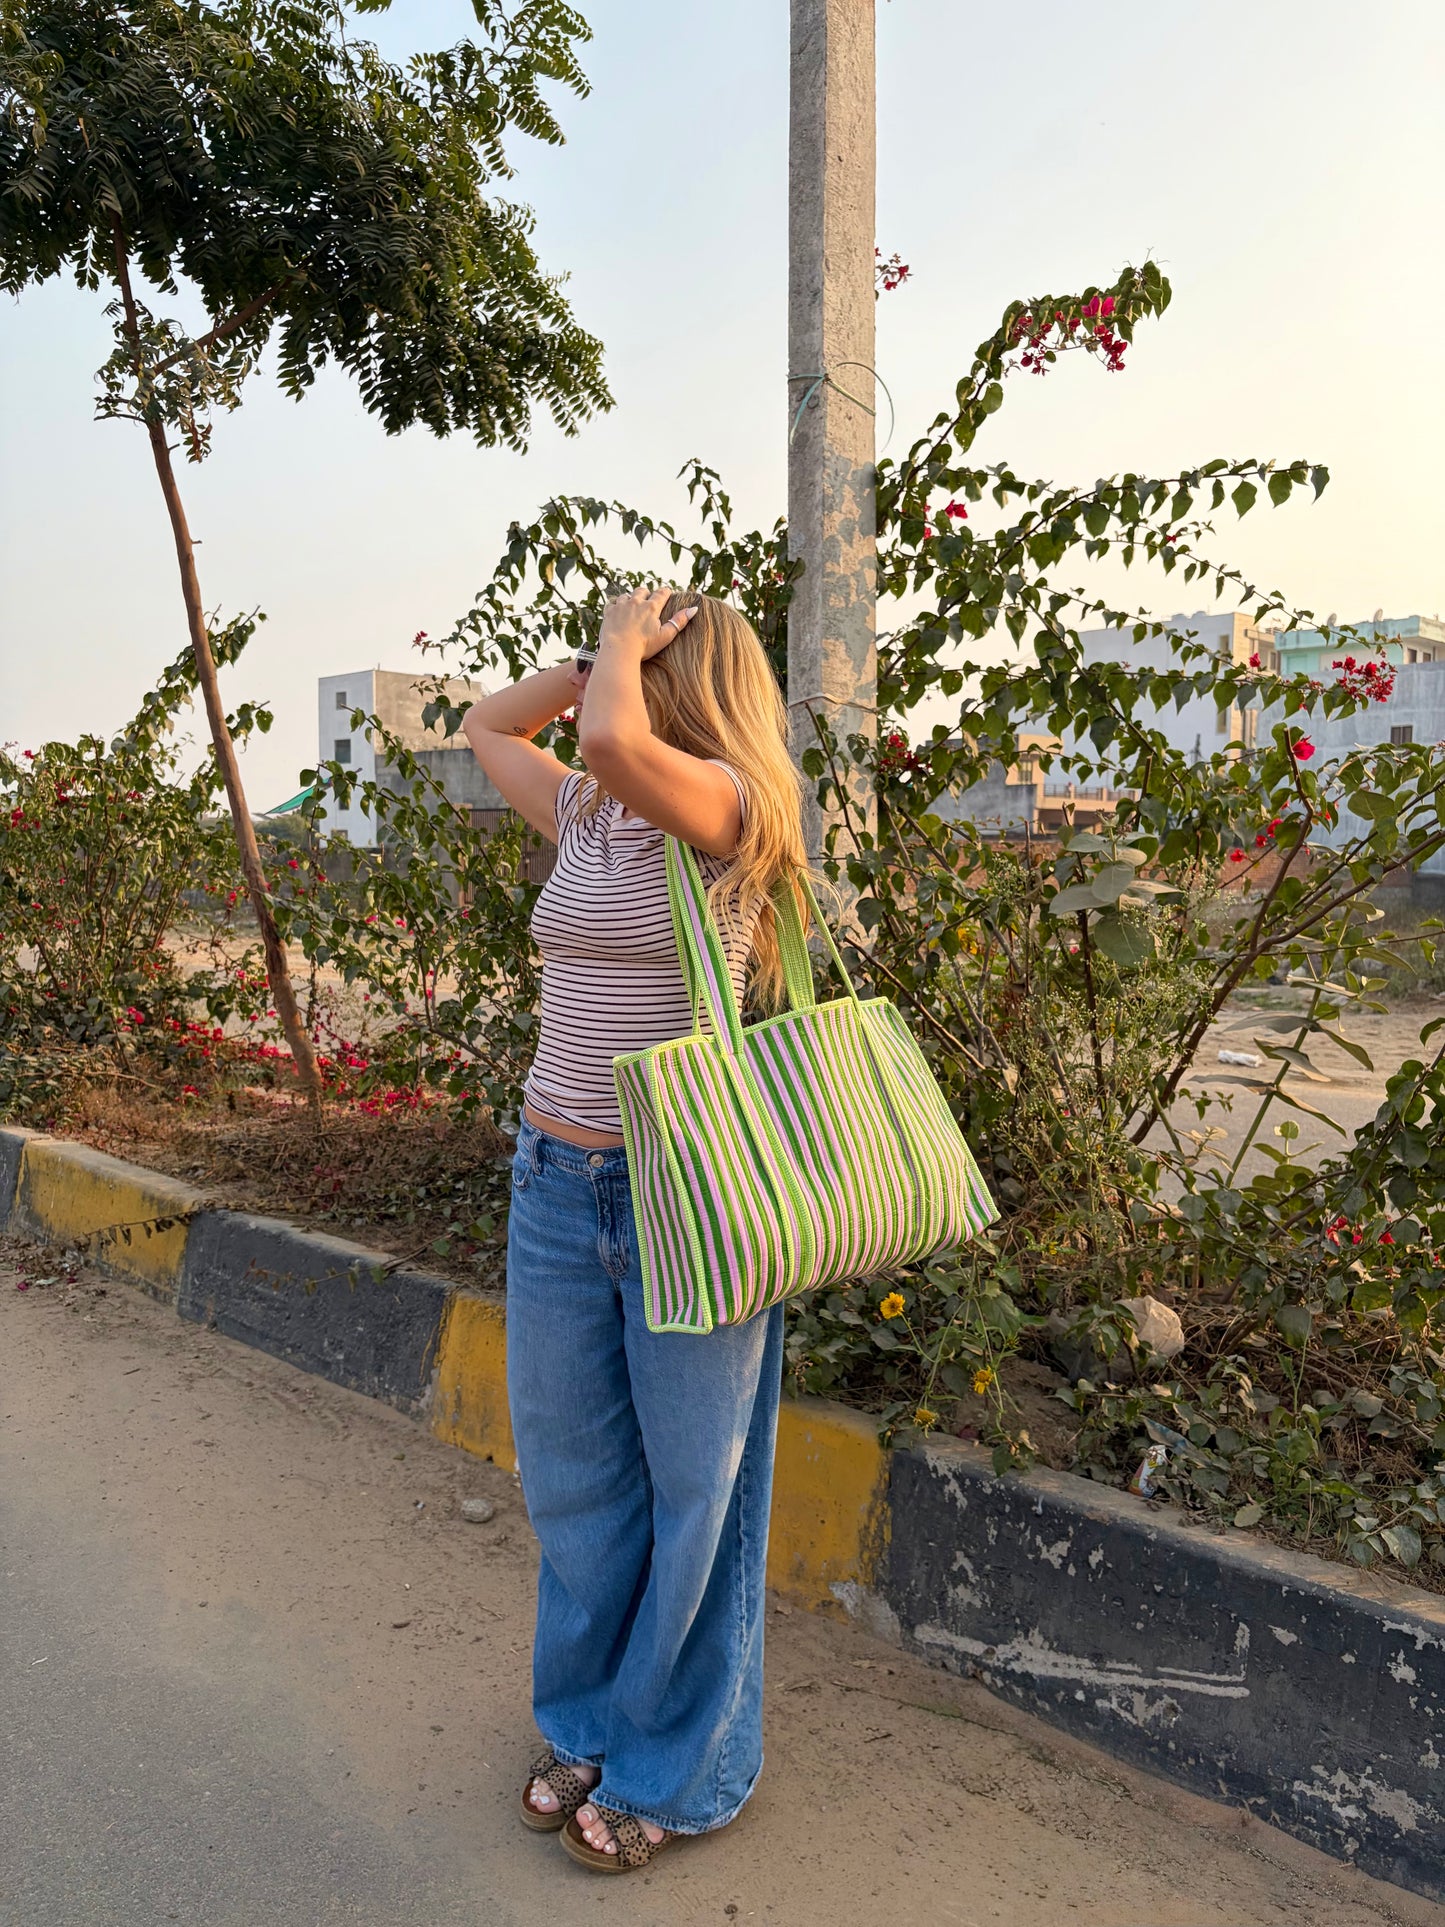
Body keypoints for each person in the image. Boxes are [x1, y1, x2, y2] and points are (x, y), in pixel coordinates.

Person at [461, 585, 811, 1874]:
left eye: (639, 664)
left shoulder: (730, 806)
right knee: (575, 1483)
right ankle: (591, 1724)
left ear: (679, 681)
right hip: (555, 1180)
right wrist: (582, 663)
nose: (614, 686)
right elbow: (486, 729)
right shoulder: (592, 811)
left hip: (687, 1192)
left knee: (697, 1496)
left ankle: (682, 1767)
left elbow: (612, 739)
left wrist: (620, 645)